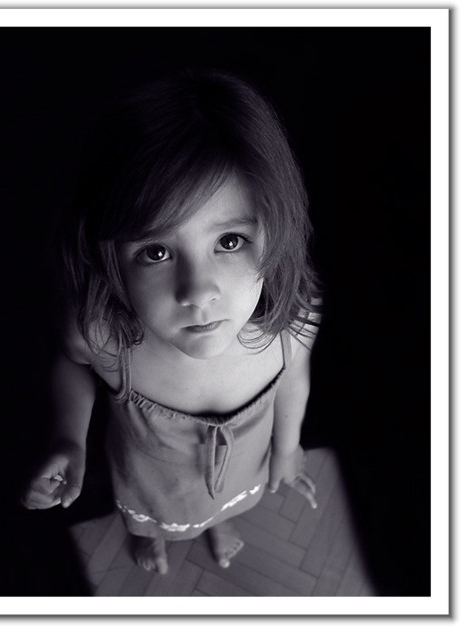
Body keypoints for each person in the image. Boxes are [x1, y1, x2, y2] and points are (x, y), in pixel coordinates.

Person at [22, 69, 321, 575]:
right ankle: (153, 536)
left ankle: (218, 522)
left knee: (226, 502)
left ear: (277, 227)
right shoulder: (104, 336)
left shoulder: (290, 325)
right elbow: (72, 364)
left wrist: (287, 449)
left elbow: (295, 381)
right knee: (154, 520)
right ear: (108, 256)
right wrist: (69, 437)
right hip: (152, 484)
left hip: (242, 468)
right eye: (156, 252)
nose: (197, 291)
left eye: (229, 241)